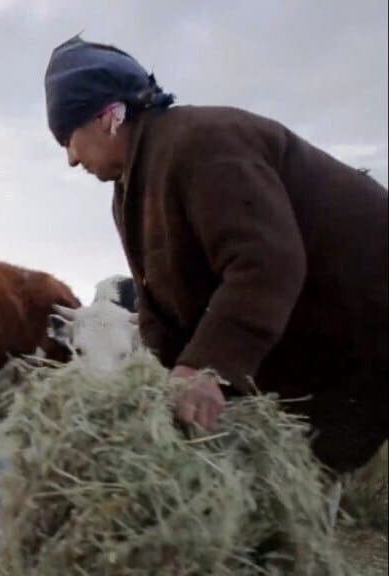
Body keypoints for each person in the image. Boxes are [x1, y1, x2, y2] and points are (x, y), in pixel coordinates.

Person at [42, 34, 388, 477]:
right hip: (321, 349)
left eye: (68, 138)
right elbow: (159, 305)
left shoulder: (203, 144)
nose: (71, 159)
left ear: (107, 116)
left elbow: (265, 263)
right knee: (254, 486)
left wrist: (205, 368)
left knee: (277, 488)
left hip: (368, 322)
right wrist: (151, 380)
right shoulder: (130, 190)